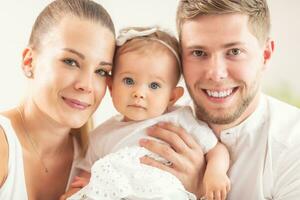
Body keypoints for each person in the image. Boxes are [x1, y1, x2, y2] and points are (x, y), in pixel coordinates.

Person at [137, 0, 300, 200]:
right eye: (198, 53)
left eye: (234, 52)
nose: (215, 74)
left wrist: (198, 192)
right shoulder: (154, 130)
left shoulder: (294, 145)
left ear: (265, 55)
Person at [67, 27, 230, 200]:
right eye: (129, 81)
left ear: (172, 97)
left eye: (154, 86)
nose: (139, 93)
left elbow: (216, 149)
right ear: (111, 87)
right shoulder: (101, 135)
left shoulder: (179, 120)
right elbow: (89, 172)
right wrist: (84, 185)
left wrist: (216, 173)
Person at [0, 0, 115, 199]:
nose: (86, 85)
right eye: (71, 62)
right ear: (29, 61)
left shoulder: (98, 166)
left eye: (101, 71)